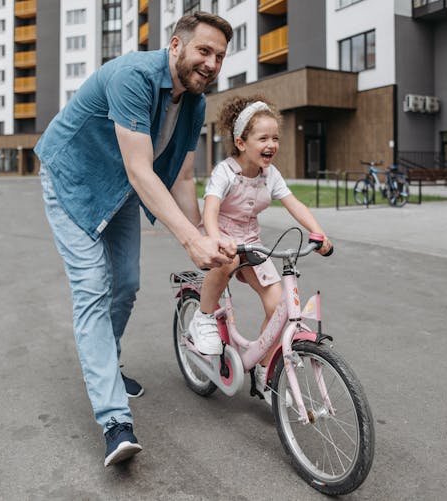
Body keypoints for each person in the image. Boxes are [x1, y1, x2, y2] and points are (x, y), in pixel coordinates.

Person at [34, 12, 235, 467]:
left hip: (120, 187)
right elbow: (142, 169)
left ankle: (110, 365)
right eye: (204, 50)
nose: (211, 63)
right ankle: (114, 422)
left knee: (126, 283)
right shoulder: (133, 76)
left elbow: (183, 176)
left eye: (220, 56)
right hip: (72, 178)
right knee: (92, 288)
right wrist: (189, 242)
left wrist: (208, 238)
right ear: (176, 45)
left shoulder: (196, 104)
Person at [188, 96, 333, 400]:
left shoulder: (271, 174)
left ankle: (263, 369)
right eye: (263, 138)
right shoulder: (225, 172)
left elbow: (294, 203)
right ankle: (203, 316)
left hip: (251, 241)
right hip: (221, 235)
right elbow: (210, 210)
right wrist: (215, 238)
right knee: (225, 262)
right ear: (241, 142)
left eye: (276, 138)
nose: (272, 144)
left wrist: (318, 232)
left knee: (278, 306)